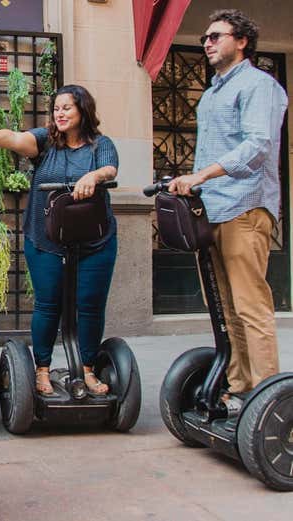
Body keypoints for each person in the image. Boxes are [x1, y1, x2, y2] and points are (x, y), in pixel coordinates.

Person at [0, 84, 119, 396]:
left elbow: (110, 167)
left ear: (82, 111)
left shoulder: (100, 144)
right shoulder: (46, 142)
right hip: (46, 239)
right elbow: (16, 139)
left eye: (67, 108)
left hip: (95, 242)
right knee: (48, 305)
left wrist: (94, 177)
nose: (59, 113)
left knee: (89, 306)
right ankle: (42, 370)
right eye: (56, 108)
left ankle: (87, 369)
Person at [168, 9, 288, 404]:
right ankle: (239, 389)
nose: (207, 42)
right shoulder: (211, 94)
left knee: (251, 306)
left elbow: (258, 147)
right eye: (205, 36)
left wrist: (201, 176)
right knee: (224, 307)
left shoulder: (259, 85)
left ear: (242, 41)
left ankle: (269, 398)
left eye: (216, 35)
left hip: (246, 208)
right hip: (212, 210)